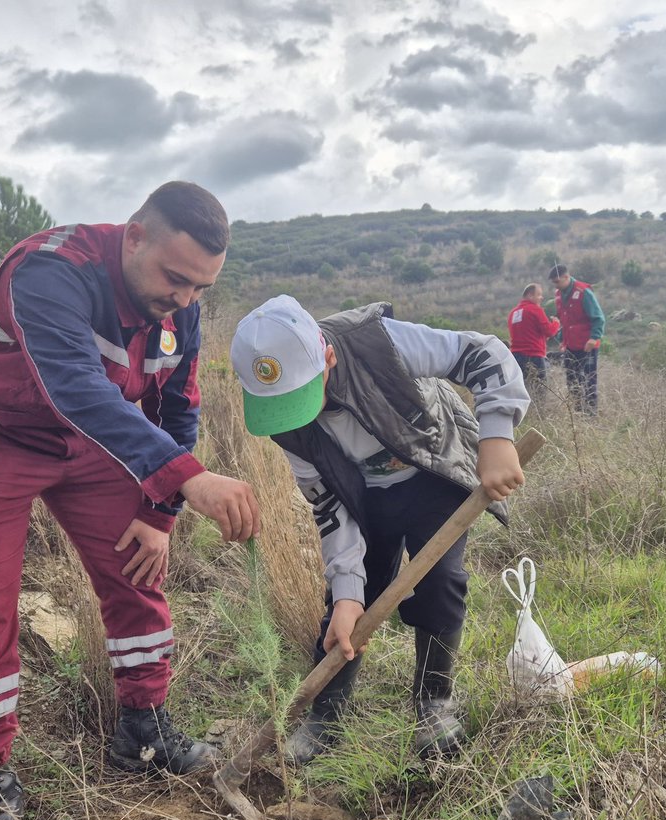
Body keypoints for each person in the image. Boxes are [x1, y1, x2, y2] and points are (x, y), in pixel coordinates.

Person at [0, 182, 261, 820]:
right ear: (133, 236)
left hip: (92, 447)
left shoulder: (183, 309)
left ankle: (144, 726)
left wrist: (161, 510)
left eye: (201, 286)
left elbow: (179, 404)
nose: (184, 298)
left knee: (139, 572)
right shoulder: (51, 269)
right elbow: (75, 386)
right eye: (175, 277)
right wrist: (189, 480)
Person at [230, 295, 529, 764]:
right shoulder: (284, 424)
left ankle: (434, 701)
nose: (298, 413)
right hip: (362, 496)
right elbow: (328, 503)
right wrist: (348, 592)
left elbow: (483, 353)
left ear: (327, 355)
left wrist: (496, 437)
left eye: (303, 394)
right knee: (347, 604)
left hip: (433, 471)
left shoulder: (375, 341)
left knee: (439, 582)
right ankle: (326, 714)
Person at [545, 264, 605, 414]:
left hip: (587, 344)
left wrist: (594, 338)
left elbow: (598, 318)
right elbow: (565, 320)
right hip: (570, 345)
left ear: (566, 277)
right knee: (572, 379)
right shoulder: (558, 295)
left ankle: (590, 413)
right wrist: (562, 338)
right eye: (554, 283)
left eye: (558, 281)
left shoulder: (584, 292)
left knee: (588, 380)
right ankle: (578, 411)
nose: (556, 285)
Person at [507, 282, 560, 384]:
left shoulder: (513, 313)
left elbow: (526, 333)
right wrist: (556, 323)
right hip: (534, 357)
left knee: (522, 391)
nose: (541, 297)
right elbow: (549, 331)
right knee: (539, 392)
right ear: (530, 295)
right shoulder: (535, 309)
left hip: (515, 358)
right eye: (539, 294)